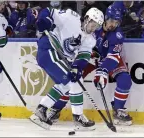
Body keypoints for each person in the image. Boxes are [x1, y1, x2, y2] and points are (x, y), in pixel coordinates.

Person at [51, 6, 133, 126]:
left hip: (106, 59)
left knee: (125, 79)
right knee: (72, 79)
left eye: (116, 22)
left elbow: (113, 57)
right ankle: (55, 109)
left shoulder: (117, 34)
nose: (113, 24)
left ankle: (118, 109)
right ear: (105, 18)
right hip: (89, 57)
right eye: (111, 21)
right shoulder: (94, 26)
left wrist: (103, 71)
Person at [29, 2, 104, 131]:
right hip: (49, 50)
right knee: (74, 81)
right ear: (87, 19)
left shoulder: (90, 39)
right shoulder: (71, 17)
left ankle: (41, 109)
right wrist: (44, 19)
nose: (93, 28)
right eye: (93, 24)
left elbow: (83, 56)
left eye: (96, 27)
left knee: (65, 84)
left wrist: (77, 68)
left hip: (57, 57)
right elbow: (49, 11)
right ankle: (78, 117)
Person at [0, 1, 13, 119]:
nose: (2, 6)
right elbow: (0, 41)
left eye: (3, 4)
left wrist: (8, 29)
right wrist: (7, 35)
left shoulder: (0, 16)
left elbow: (7, 27)